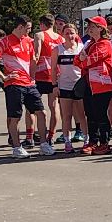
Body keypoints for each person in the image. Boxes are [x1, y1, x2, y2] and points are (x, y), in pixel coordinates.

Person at [0, 16, 52, 159]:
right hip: (13, 84)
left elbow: (33, 61)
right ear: (20, 27)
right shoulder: (5, 42)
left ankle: (44, 144)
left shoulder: (29, 41)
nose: (29, 31)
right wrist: (3, 77)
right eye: (28, 28)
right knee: (15, 117)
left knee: (41, 113)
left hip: (29, 83)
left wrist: (33, 77)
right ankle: (17, 147)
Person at [80, 17, 112, 154]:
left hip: (102, 84)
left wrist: (84, 60)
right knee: (90, 114)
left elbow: (90, 60)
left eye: (93, 26)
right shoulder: (89, 43)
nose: (89, 28)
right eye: (89, 25)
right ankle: (92, 141)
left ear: (101, 28)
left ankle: (104, 143)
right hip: (89, 84)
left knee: (101, 114)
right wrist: (83, 60)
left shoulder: (105, 43)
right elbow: (77, 61)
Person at [53, 22, 87, 153]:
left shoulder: (82, 48)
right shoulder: (58, 49)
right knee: (66, 116)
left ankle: (86, 140)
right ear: (62, 34)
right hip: (64, 86)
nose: (70, 35)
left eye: (72, 33)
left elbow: (86, 66)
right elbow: (53, 70)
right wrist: (54, 85)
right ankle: (67, 141)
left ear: (76, 34)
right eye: (66, 33)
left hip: (79, 85)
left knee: (82, 115)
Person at [34, 14, 63, 144]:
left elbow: (36, 55)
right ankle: (51, 135)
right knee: (54, 105)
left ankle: (31, 135)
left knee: (33, 106)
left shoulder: (39, 35)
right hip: (55, 75)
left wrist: (30, 72)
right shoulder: (60, 38)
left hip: (40, 74)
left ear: (42, 24)